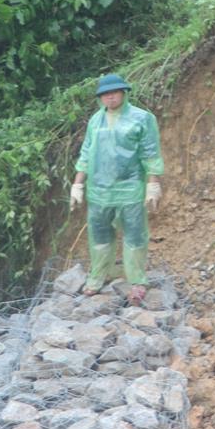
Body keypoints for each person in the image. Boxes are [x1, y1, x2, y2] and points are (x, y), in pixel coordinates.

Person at [70, 75, 166, 308]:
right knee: (100, 234)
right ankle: (98, 276)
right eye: (104, 94)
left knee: (134, 233)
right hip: (99, 190)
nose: (109, 97)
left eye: (114, 92)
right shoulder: (96, 120)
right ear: (100, 98)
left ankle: (137, 281)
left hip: (130, 187)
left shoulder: (142, 119)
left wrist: (152, 184)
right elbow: (86, 153)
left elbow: (150, 152)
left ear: (124, 92)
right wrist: (78, 184)